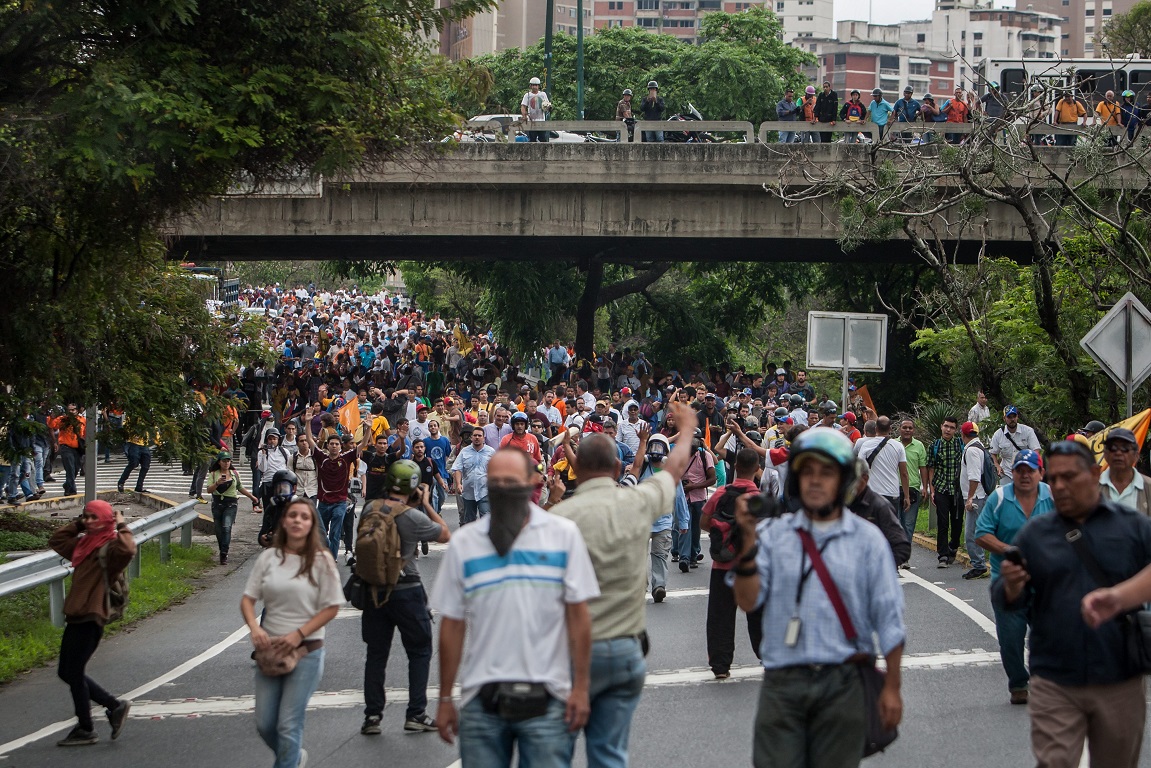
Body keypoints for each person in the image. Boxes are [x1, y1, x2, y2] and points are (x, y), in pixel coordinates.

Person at [730, 429, 905, 768]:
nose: (815, 481)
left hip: (844, 683)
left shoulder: (868, 541)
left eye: (826, 473)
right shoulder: (771, 535)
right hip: (782, 683)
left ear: (843, 480)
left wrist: (892, 688)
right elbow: (747, 601)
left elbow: (890, 620)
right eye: (807, 472)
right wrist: (747, 544)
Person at [431, 448, 599, 768]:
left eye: (511, 481)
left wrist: (580, 689)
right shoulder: (465, 544)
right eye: (495, 482)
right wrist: (444, 698)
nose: (503, 489)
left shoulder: (562, 537)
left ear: (533, 482)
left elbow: (579, 618)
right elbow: (452, 624)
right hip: (481, 701)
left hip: (550, 699)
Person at [550, 402, 696, 767]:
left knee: (553, 754)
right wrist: (689, 428)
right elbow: (674, 470)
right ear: (618, 468)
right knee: (609, 754)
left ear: (576, 468)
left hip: (567, 655)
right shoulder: (637, 501)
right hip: (623, 651)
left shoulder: (556, 519)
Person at [995, 440, 1151, 768]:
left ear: (1095, 474)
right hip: (1055, 678)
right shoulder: (1035, 535)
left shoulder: (1132, 527)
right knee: (1055, 762)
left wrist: (1120, 597)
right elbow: (1011, 601)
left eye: (1070, 477)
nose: (1061, 486)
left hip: (1119, 677)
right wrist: (1010, 586)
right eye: (1054, 478)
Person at [241, 497, 342, 768]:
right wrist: (254, 628)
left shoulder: (322, 560)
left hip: (306, 650)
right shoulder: (269, 558)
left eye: (304, 517)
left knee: (288, 724)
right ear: (284, 521)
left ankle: (287, 762)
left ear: (312, 524)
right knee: (265, 723)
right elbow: (248, 600)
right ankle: (294, 757)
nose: (298, 520)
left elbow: (332, 606)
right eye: (292, 515)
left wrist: (298, 634)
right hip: (271, 650)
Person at [360, 460, 451, 736]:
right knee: (420, 650)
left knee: (376, 654)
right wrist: (425, 503)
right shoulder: (412, 517)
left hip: (373, 589)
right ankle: (416, 713)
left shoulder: (369, 509)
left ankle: (372, 716)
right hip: (406, 589)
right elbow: (445, 534)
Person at [48, 500, 136, 747]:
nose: (88, 522)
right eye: (85, 517)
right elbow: (56, 541)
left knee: (73, 672)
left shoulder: (110, 549)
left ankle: (87, 727)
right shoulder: (83, 545)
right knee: (66, 671)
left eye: (93, 518)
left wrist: (121, 524)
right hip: (77, 615)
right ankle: (113, 707)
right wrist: (78, 523)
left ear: (106, 520)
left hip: (92, 616)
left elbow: (129, 549)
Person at [974, 449, 1053, 704]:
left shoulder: (1053, 498)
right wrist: (1010, 551)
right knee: (1010, 637)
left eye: (1030, 470)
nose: (1025, 475)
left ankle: (1048, 682)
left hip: (1046, 580)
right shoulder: (999, 498)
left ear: (1041, 473)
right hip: (1007, 582)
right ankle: (1018, 682)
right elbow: (981, 533)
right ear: (1013, 472)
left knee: (1050, 634)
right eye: (1020, 470)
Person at [700, 448, 764, 679]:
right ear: (757, 469)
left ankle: (720, 665)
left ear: (735, 467)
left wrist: (726, 537)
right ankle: (767, 656)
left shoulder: (720, 494)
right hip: (753, 567)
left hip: (723, 566)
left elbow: (704, 522)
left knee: (720, 616)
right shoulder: (760, 500)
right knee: (759, 614)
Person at [207, 450, 262, 565]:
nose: (226, 463)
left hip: (231, 503)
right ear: (219, 462)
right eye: (224, 461)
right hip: (217, 503)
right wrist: (217, 483)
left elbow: (240, 487)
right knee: (218, 529)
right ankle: (222, 548)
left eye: (228, 461)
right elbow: (209, 490)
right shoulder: (213, 474)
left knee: (227, 527)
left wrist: (252, 497)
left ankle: (224, 553)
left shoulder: (234, 473)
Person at [924, 415, 964, 568]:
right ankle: (943, 555)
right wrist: (932, 490)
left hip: (958, 490)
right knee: (942, 522)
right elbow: (931, 468)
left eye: (952, 427)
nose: (948, 430)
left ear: (956, 430)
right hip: (941, 488)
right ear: (941, 426)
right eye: (946, 426)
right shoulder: (935, 446)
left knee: (957, 522)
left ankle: (953, 546)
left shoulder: (961, 445)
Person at [316, 433, 360, 558]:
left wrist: (368, 429)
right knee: (321, 532)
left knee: (335, 533)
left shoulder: (345, 458)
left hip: (340, 502)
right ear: (327, 446)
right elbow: (310, 441)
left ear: (340, 446)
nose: (334, 446)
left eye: (336, 444)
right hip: (324, 502)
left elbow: (361, 446)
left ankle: (332, 558)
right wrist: (308, 422)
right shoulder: (322, 458)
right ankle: (324, 554)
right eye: (331, 444)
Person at [958, 421, 990, 579]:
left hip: (976, 497)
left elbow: (974, 477)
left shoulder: (971, 451)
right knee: (977, 530)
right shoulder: (980, 447)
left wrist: (969, 498)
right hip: (980, 495)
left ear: (963, 435)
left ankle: (979, 566)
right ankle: (980, 563)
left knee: (971, 534)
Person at [1098, 427, 1151, 515]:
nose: (1118, 453)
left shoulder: (1148, 487)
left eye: (1125, 448)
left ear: (1136, 455)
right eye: (1113, 448)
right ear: (1105, 454)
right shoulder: (1091, 486)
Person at [896, 419, 927, 563]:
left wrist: (925, 487)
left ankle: (904, 557)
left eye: (910, 428)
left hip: (913, 488)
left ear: (913, 430)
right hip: (894, 488)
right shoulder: (893, 444)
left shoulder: (919, 446)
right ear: (899, 429)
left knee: (908, 524)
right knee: (895, 523)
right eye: (904, 427)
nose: (907, 430)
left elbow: (923, 468)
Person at [988, 405, 1041, 483]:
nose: (1012, 419)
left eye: (1014, 416)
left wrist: (1031, 467)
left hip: (1025, 472)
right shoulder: (998, 434)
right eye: (1009, 417)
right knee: (1006, 494)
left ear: (1017, 417)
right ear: (1004, 418)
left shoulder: (1028, 431)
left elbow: (1036, 451)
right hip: (1007, 472)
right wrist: (997, 466)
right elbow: (993, 454)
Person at [452, 427, 495, 523]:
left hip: (485, 491)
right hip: (468, 492)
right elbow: (458, 468)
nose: (477, 437)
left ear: (484, 438)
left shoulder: (491, 452)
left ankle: (485, 537)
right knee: (469, 521)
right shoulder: (464, 451)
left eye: (479, 436)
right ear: (471, 437)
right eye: (475, 435)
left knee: (486, 519)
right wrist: (458, 484)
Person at [520, 76, 552, 143]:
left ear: (538, 86)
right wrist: (524, 116)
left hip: (541, 120)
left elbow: (547, 104)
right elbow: (523, 106)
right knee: (532, 140)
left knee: (543, 139)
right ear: (530, 86)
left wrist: (549, 108)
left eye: (536, 85)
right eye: (533, 85)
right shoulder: (527, 95)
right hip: (532, 121)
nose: (535, 87)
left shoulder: (542, 94)